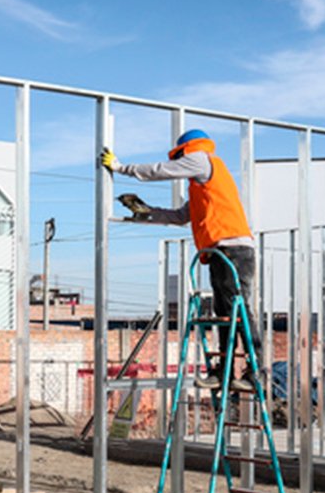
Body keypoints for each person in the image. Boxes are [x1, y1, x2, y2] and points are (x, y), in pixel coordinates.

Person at [101, 129, 264, 392]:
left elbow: (160, 170)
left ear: (184, 150)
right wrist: (147, 213)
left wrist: (120, 168)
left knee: (240, 312)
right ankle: (224, 371)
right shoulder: (203, 186)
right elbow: (180, 216)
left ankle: (258, 373)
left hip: (234, 249)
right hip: (221, 251)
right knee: (225, 315)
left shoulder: (203, 159)